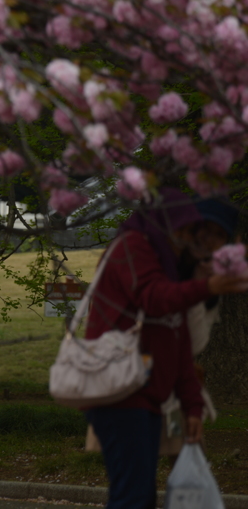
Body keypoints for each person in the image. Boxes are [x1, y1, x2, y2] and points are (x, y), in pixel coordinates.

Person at [84, 188, 248, 509]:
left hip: (149, 394)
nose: (186, 239)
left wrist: (193, 407)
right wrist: (206, 286)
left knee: (139, 495)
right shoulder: (132, 249)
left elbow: (180, 346)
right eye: (182, 230)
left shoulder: (171, 268)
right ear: (159, 223)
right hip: (120, 391)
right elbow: (153, 298)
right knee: (132, 495)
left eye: (191, 231)